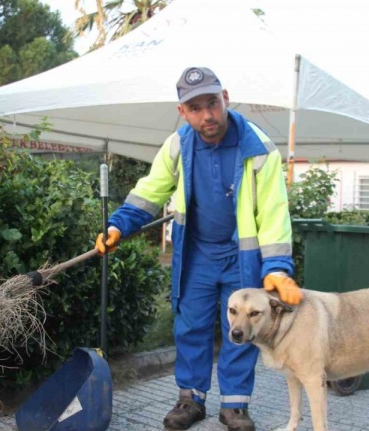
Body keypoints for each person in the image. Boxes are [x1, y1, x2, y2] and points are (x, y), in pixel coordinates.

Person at [95, 66, 302, 431]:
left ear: (225, 98)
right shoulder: (177, 145)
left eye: (212, 103)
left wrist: (277, 268)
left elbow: (273, 213)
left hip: (242, 258)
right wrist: (118, 224)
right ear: (183, 113)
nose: (207, 115)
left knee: (242, 328)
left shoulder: (259, 148)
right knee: (190, 327)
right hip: (197, 256)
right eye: (195, 108)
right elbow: (151, 190)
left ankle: (235, 406)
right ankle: (190, 399)